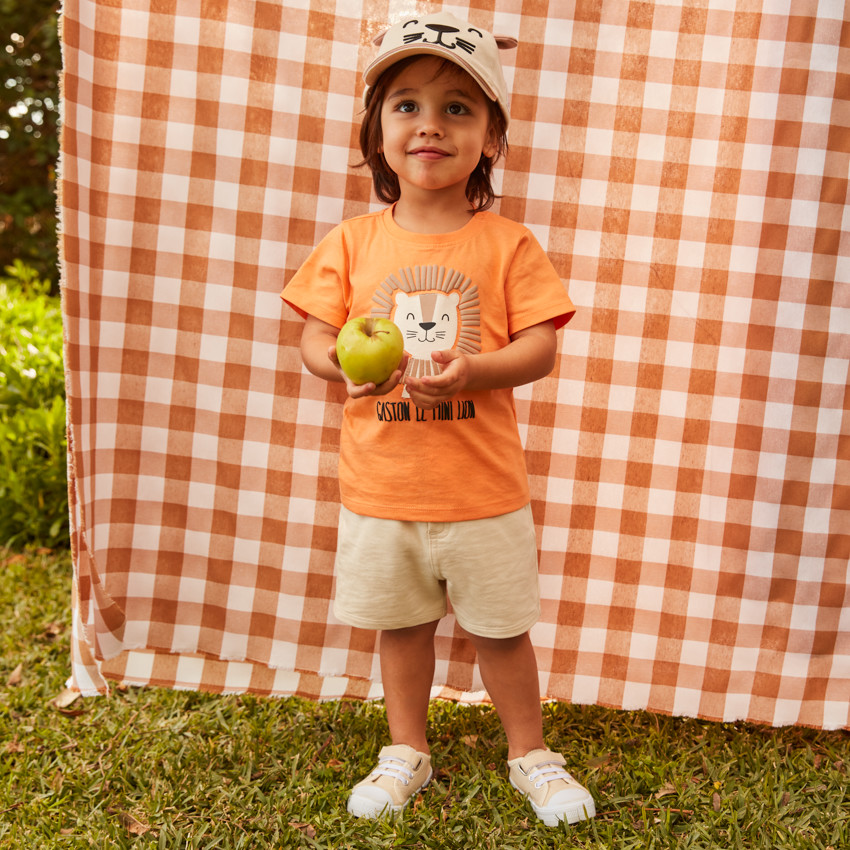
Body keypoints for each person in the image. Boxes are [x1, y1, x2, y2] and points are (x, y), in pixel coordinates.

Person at [281, 12, 595, 828]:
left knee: (503, 633)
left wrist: (475, 369)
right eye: (407, 106)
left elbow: (540, 349)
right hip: (381, 490)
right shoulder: (351, 243)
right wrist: (341, 366)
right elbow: (314, 338)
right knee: (401, 626)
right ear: (378, 133)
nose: (430, 125)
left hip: (483, 492)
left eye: (458, 108)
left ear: (490, 138)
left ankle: (531, 753)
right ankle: (406, 750)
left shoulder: (508, 245)